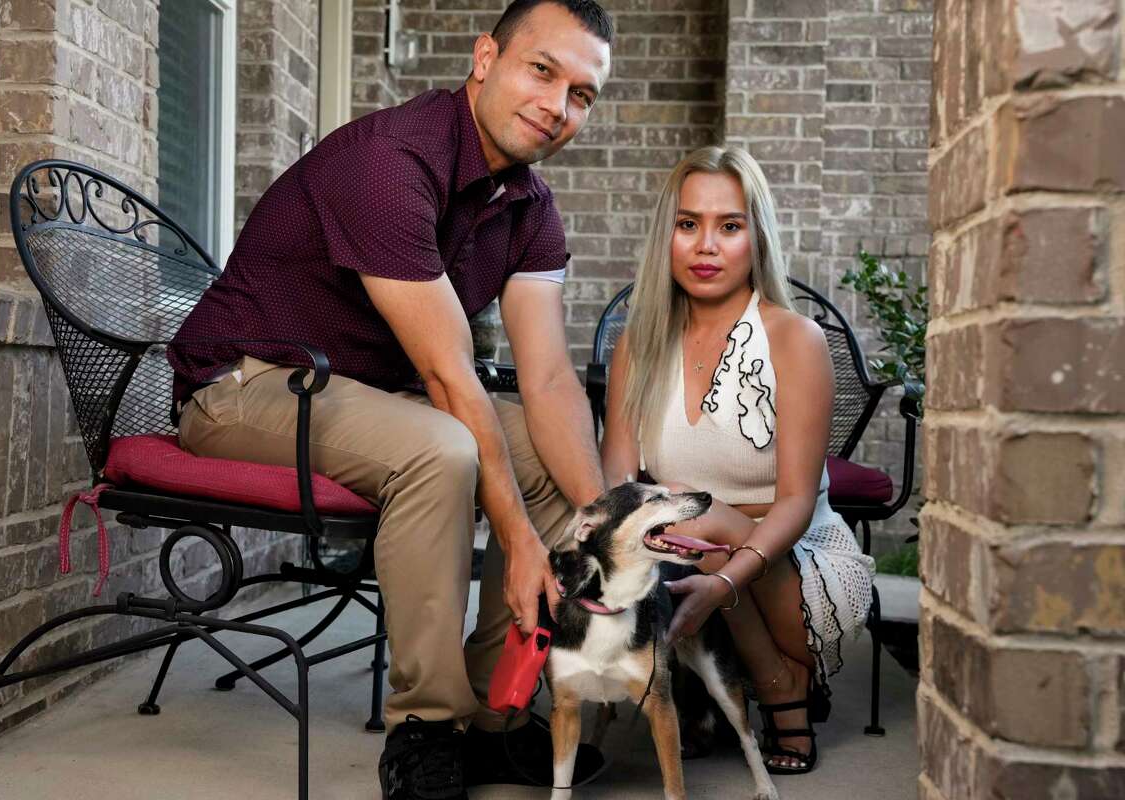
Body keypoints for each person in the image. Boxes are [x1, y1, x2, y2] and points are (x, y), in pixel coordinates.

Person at [167, 2, 613, 798]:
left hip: (360, 395)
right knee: (441, 449)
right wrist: (516, 539)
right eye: (541, 71)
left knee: (543, 450)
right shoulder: (389, 160)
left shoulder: (531, 209)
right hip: (242, 386)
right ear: (485, 58)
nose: (557, 106)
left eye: (582, 94)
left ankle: (493, 716)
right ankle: (427, 726)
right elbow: (447, 377)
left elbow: (547, 380)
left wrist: (599, 526)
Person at [599, 145, 876, 774]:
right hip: (687, 546)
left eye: (729, 226)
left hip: (797, 568)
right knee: (692, 523)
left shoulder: (794, 339)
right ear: (665, 236)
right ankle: (747, 689)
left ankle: (781, 685)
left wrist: (721, 568)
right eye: (688, 223)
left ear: (757, 238)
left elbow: (798, 501)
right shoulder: (637, 347)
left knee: (713, 521)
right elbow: (619, 480)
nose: (706, 245)